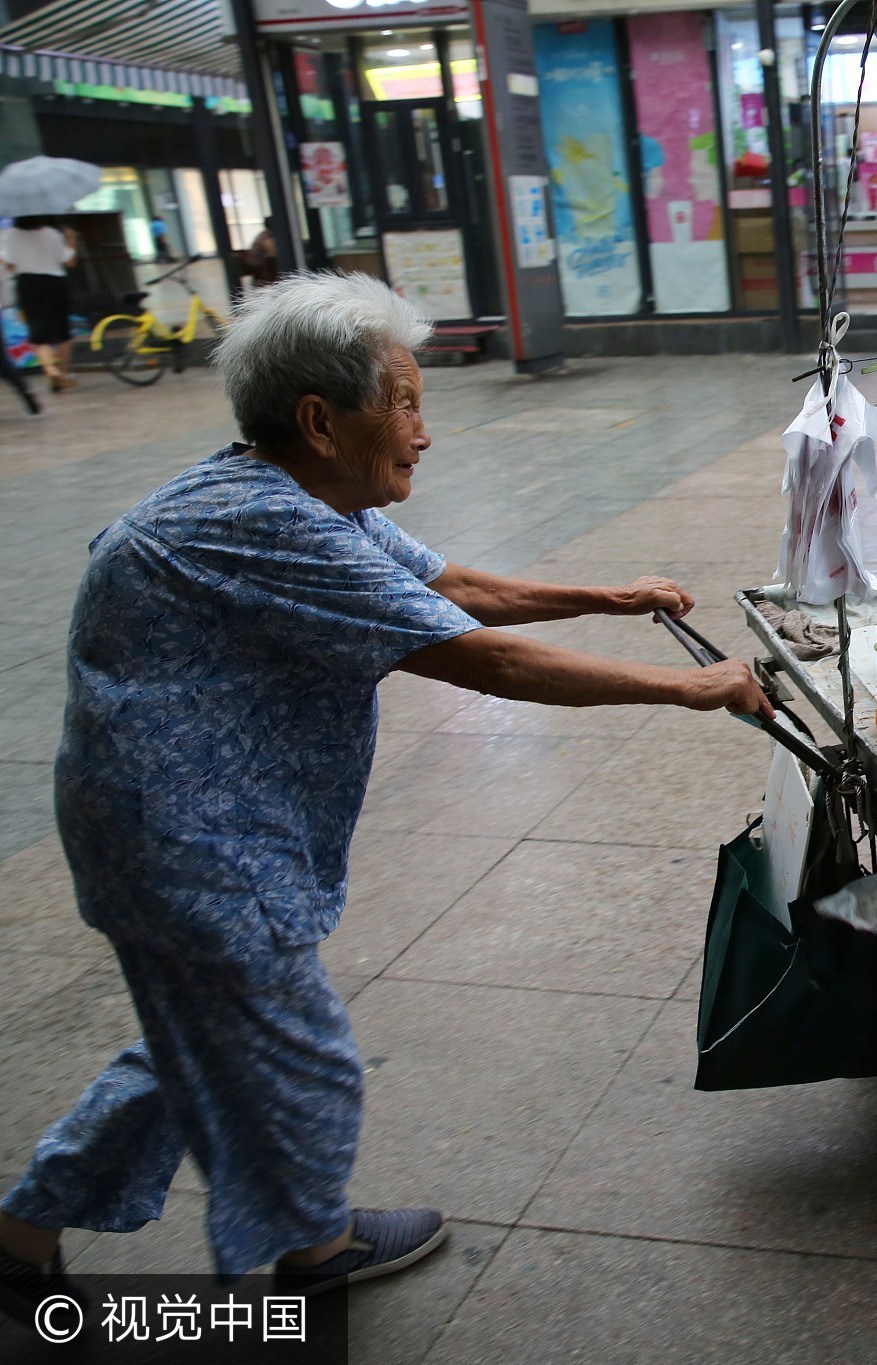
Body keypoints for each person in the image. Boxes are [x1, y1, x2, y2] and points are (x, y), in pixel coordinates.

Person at [0, 272, 773, 1312]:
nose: (423, 430)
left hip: (188, 823)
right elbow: (478, 658)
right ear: (321, 420)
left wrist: (613, 595)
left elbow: (448, 586)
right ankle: (314, 1251)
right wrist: (692, 686)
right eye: (404, 402)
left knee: (202, 1045)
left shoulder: (302, 493)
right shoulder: (265, 523)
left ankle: (20, 1237)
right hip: (185, 839)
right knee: (304, 1059)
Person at [0, 215, 81, 393]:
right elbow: (70, 261)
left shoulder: (9, 235)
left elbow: (5, 260)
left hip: (28, 283)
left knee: (38, 333)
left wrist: (19, 263)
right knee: (62, 332)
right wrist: (71, 238)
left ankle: (50, 370)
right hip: (55, 283)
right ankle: (64, 375)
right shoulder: (51, 234)